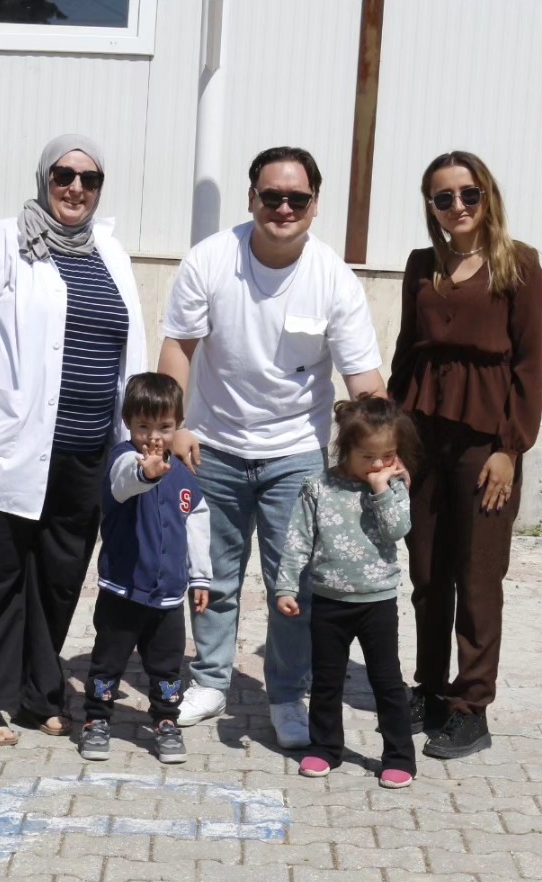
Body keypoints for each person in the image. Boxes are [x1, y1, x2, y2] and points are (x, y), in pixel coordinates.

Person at [159, 146, 385, 749]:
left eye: (297, 198)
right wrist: (174, 426)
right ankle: (210, 681)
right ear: (252, 198)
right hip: (213, 447)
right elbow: (179, 347)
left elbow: (363, 379)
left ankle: (287, 696)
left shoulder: (333, 277)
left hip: (296, 455)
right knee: (211, 574)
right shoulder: (211, 260)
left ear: (315, 204)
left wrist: (383, 452)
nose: (283, 208)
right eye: (272, 196)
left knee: (296, 584)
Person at [0, 134, 147, 747]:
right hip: (4, 444)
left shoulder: (110, 253)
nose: (76, 188)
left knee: (58, 577)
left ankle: (37, 695)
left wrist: (133, 435)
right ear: (43, 177)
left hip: (87, 449)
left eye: (89, 179)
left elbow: (129, 348)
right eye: (63, 175)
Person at [389, 150, 542, 760]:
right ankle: (430, 690)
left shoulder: (520, 266)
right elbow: (407, 352)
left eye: (468, 194)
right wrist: (391, 436)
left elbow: (529, 367)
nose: (457, 205)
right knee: (427, 573)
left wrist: (510, 449)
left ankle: (471, 706)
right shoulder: (421, 266)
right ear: (430, 206)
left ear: (487, 196)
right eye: (443, 197)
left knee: (478, 577)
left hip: (486, 443)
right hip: (423, 437)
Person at [274, 396, 418, 788]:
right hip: (328, 601)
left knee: (386, 682)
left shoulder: (393, 485)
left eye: (387, 455)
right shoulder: (318, 487)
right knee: (326, 681)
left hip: (377, 603)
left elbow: (397, 530)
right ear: (345, 448)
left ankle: (399, 756)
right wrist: (286, 586)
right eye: (368, 456)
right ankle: (324, 748)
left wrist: (381, 490)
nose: (378, 464)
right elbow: (297, 541)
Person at [78, 373, 211, 765]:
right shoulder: (124, 459)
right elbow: (124, 483)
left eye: (165, 427)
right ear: (128, 424)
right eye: (143, 427)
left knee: (167, 665)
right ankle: (97, 719)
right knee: (108, 659)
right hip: (123, 588)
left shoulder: (184, 474)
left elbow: (197, 523)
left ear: (178, 425)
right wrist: (146, 472)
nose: (154, 437)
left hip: (168, 594)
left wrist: (200, 577)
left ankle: (166, 721)